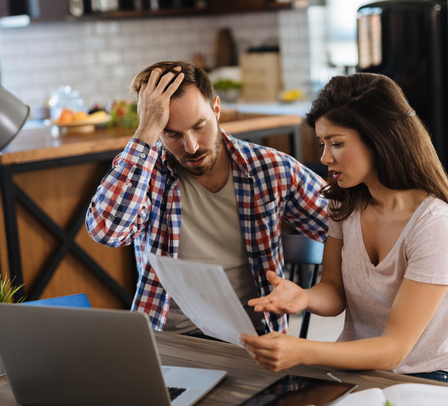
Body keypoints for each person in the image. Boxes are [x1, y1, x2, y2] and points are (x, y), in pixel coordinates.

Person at [240, 72, 448, 385]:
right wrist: (304, 297)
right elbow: (334, 292)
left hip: (425, 377)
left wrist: (303, 350)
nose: (324, 157)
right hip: (356, 370)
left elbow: (394, 350)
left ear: (380, 138)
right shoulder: (344, 204)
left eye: (336, 143)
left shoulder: (436, 226)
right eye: (322, 143)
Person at [85, 61, 328, 335]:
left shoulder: (271, 169)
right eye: (172, 133)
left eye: (199, 126)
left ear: (216, 108)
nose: (191, 146)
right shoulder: (146, 174)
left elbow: (347, 228)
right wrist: (145, 134)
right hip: (168, 342)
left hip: (252, 340)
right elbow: (107, 231)